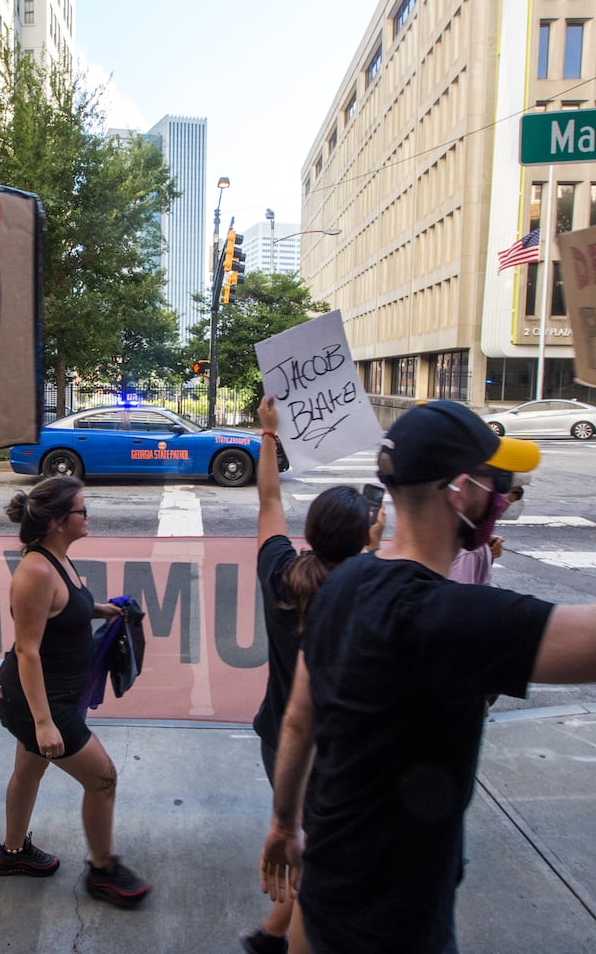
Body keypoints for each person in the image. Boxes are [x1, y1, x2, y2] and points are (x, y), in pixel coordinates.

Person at [261, 327, 596, 954]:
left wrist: (283, 825)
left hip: (324, 897)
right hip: (394, 929)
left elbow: (301, 720)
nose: (507, 497)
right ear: (459, 489)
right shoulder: (462, 622)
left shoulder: (347, 580)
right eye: (498, 483)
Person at [242, 396, 383, 954]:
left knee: (303, 840)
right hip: (335, 752)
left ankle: (272, 934)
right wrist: (372, 549)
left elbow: (269, 497)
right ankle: (277, 937)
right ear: (365, 538)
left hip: (278, 738)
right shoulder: (368, 592)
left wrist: (269, 434)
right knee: (320, 855)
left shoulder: (281, 573)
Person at [0, 476, 150, 908]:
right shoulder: (37, 570)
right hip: (41, 702)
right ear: (61, 521)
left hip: (53, 697)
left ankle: (12, 854)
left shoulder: (58, 560)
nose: (88, 516)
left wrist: (99, 609)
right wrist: (44, 723)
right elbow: (27, 650)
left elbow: (61, 611)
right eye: (82, 510)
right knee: (103, 779)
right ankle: (103, 871)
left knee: (29, 771)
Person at [448, 473, 527, 586]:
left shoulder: (464, 532)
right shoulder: (470, 551)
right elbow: (460, 599)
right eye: (518, 493)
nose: (516, 500)